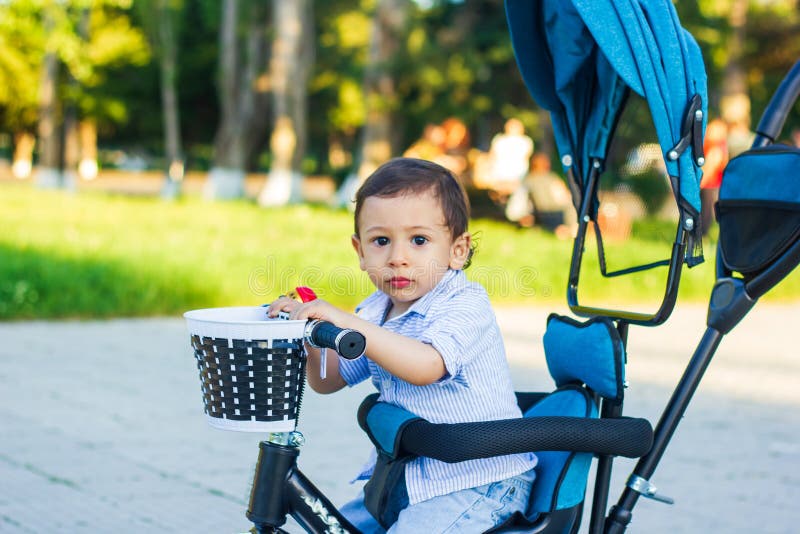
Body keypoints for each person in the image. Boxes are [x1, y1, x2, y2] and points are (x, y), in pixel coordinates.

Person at [268, 157, 537, 533]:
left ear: (457, 250)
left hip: (480, 481)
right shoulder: (376, 310)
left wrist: (349, 321)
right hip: (411, 477)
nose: (398, 258)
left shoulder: (464, 304)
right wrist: (312, 335)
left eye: (419, 240)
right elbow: (329, 381)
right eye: (381, 241)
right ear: (360, 251)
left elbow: (426, 367)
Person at [700, 118, 729, 236]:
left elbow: (710, 167)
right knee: (705, 210)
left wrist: (700, 183)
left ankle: (702, 234)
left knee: (705, 211)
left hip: (709, 184)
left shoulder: (716, 147)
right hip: (711, 184)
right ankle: (702, 234)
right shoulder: (715, 145)